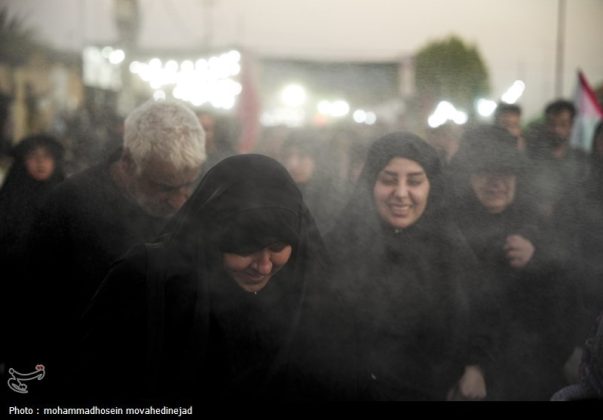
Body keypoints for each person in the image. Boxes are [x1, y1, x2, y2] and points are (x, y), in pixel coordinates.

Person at [77, 154, 357, 403]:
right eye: (246, 247)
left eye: (277, 248)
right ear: (211, 233)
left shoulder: (312, 292)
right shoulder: (148, 279)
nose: (263, 266)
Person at [21, 100, 206, 401]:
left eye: (188, 184)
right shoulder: (70, 204)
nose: (179, 201)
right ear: (129, 161)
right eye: (165, 188)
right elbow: (35, 308)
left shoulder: (196, 205)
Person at [325, 132, 484, 401]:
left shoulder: (452, 253)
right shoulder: (339, 246)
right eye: (388, 180)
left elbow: (483, 316)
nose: (401, 194)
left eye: (414, 181)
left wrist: (476, 366)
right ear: (370, 184)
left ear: (431, 187)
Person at [449, 125, 577, 400]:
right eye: (484, 172)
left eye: (506, 173)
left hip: (526, 372)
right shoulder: (448, 226)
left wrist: (536, 257)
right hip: (462, 373)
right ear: (467, 177)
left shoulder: (535, 224)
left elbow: (561, 299)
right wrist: (472, 364)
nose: (496, 183)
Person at [0, 134, 64, 371]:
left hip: (53, 296)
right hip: (13, 292)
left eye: (46, 157)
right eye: (33, 157)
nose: (40, 163)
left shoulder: (66, 198)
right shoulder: (9, 200)